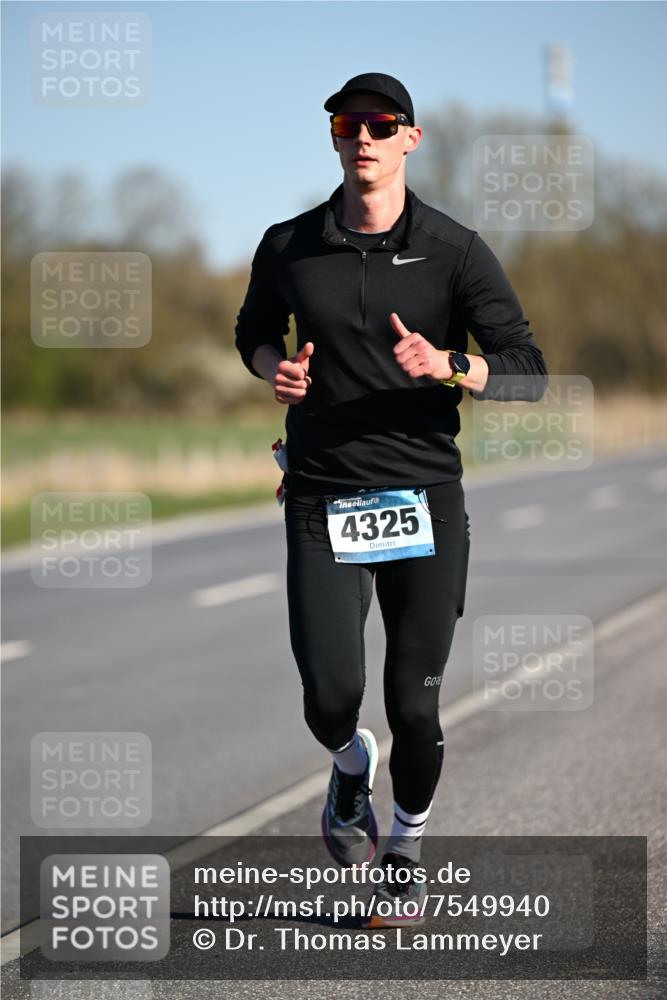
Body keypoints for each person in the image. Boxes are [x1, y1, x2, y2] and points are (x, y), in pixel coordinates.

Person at [235, 72, 548, 927]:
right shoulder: (289, 244)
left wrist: (451, 363)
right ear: (333, 138)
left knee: (415, 702)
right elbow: (251, 332)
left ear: (410, 139)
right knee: (331, 698)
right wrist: (278, 370)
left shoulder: (454, 250)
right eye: (347, 124)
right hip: (321, 494)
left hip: (423, 496)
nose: (362, 137)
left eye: (380, 124)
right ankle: (346, 766)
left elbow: (527, 372)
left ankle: (404, 850)